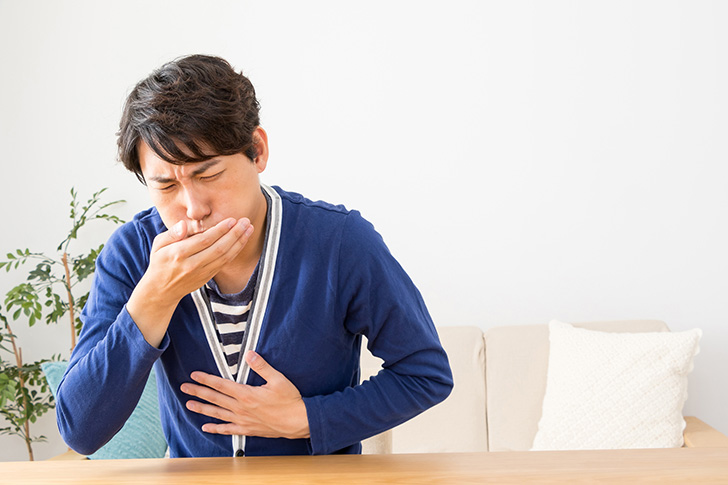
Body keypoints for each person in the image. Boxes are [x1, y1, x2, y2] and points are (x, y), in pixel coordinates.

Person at [55, 54, 453, 457]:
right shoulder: (132, 253)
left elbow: (425, 373)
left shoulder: (340, 242)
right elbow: (81, 430)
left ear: (257, 151)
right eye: (165, 186)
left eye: (207, 175)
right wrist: (155, 296)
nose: (193, 207)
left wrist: (308, 419)